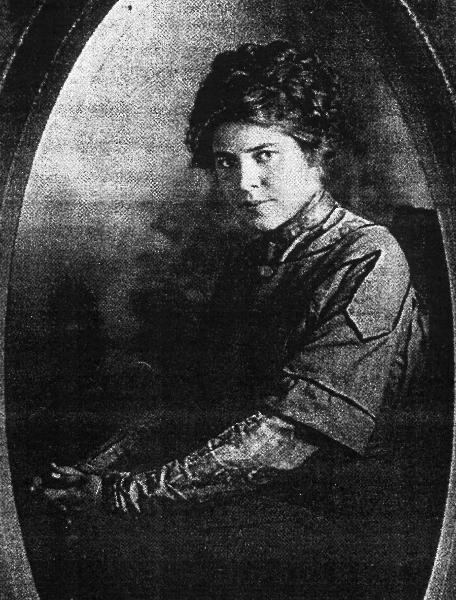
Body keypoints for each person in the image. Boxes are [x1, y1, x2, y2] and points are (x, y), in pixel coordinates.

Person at [33, 40, 427, 518]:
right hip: (253, 506)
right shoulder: (250, 263)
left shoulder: (368, 255)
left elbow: (290, 435)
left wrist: (119, 493)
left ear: (313, 154)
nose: (243, 182)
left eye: (265, 155)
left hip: (350, 515)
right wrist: (90, 470)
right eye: (226, 162)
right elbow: (196, 401)